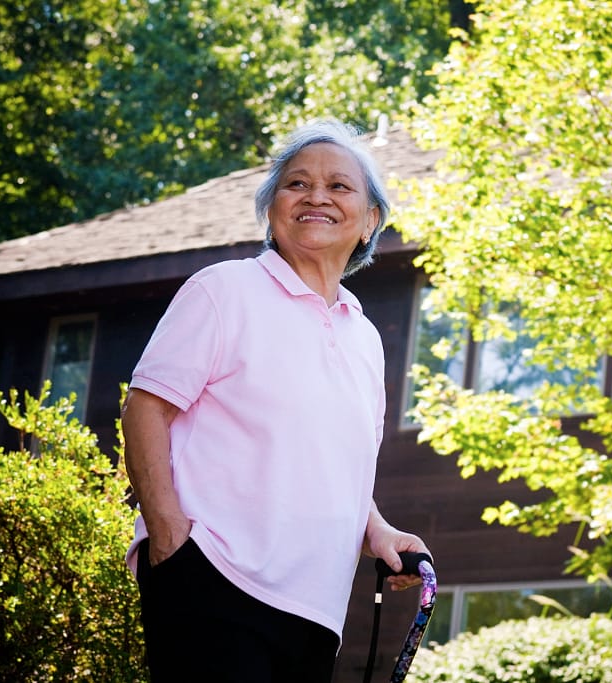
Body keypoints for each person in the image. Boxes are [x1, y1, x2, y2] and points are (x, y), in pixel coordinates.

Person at [122, 119, 431, 682]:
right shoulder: (224, 290)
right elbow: (146, 408)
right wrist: (169, 537)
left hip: (316, 611)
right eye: (296, 184)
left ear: (369, 222)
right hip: (213, 579)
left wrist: (377, 530)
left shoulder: (366, 337)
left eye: (339, 186)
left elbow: (337, 467)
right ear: (272, 210)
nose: (316, 195)